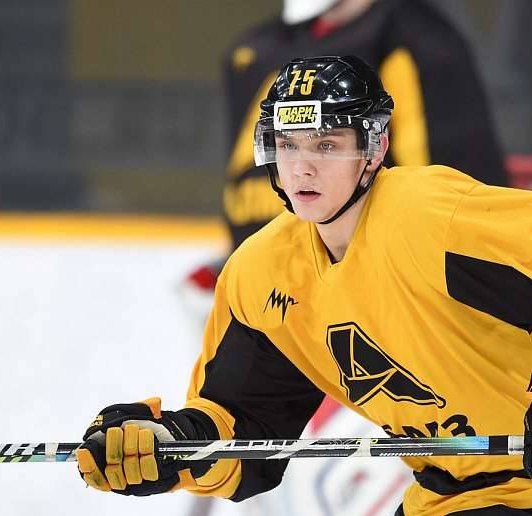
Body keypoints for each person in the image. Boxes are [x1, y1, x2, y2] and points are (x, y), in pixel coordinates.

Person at [79, 55, 532, 516]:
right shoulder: (261, 274)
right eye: (288, 145)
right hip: (440, 498)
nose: (302, 169)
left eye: (327, 145)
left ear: (375, 147)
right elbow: (243, 431)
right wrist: (169, 449)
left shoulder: (431, 217)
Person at [181, 0, 509, 302]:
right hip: (274, 282)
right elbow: (248, 176)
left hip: (376, 285)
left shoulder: (417, 40)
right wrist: (241, 258)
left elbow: (457, 195)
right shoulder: (255, 47)